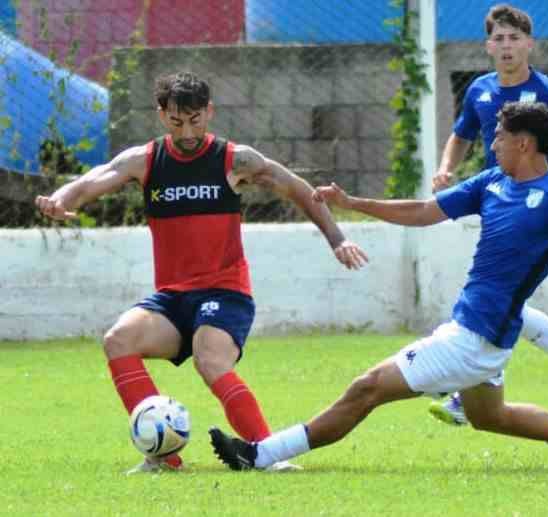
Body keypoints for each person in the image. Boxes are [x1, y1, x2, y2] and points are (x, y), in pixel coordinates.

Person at [207, 101, 548, 472]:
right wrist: (355, 203)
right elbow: (425, 211)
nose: (491, 142)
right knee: (490, 417)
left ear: (524, 143)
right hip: (479, 332)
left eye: (498, 136)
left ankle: (259, 455)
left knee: (366, 388)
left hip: (474, 339)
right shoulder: (494, 181)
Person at [34, 72, 368, 474]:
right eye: (177, 122)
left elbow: (297, 187)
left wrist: (337, 239)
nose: (188, 132)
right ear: (162, 115)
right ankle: (163, 456)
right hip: (173, 299)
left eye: (195, 120)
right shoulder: (146, 160)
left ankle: (267, 454)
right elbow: (93, 179)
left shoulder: (234, 160)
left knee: (209, 359)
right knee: (118, 340)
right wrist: (60, 199)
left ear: (209, 112)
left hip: (225, 292)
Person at [430, 4, 548, 422]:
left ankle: (468, 394)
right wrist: (446, 168)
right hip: (497, 202)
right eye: (499, 38)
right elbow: (460, 135)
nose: (507, 46)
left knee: (500, 296)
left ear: (529, 44)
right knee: (506, 298)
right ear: (488, 46)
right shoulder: (479, 90)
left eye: (514, 38)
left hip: (536, 210)